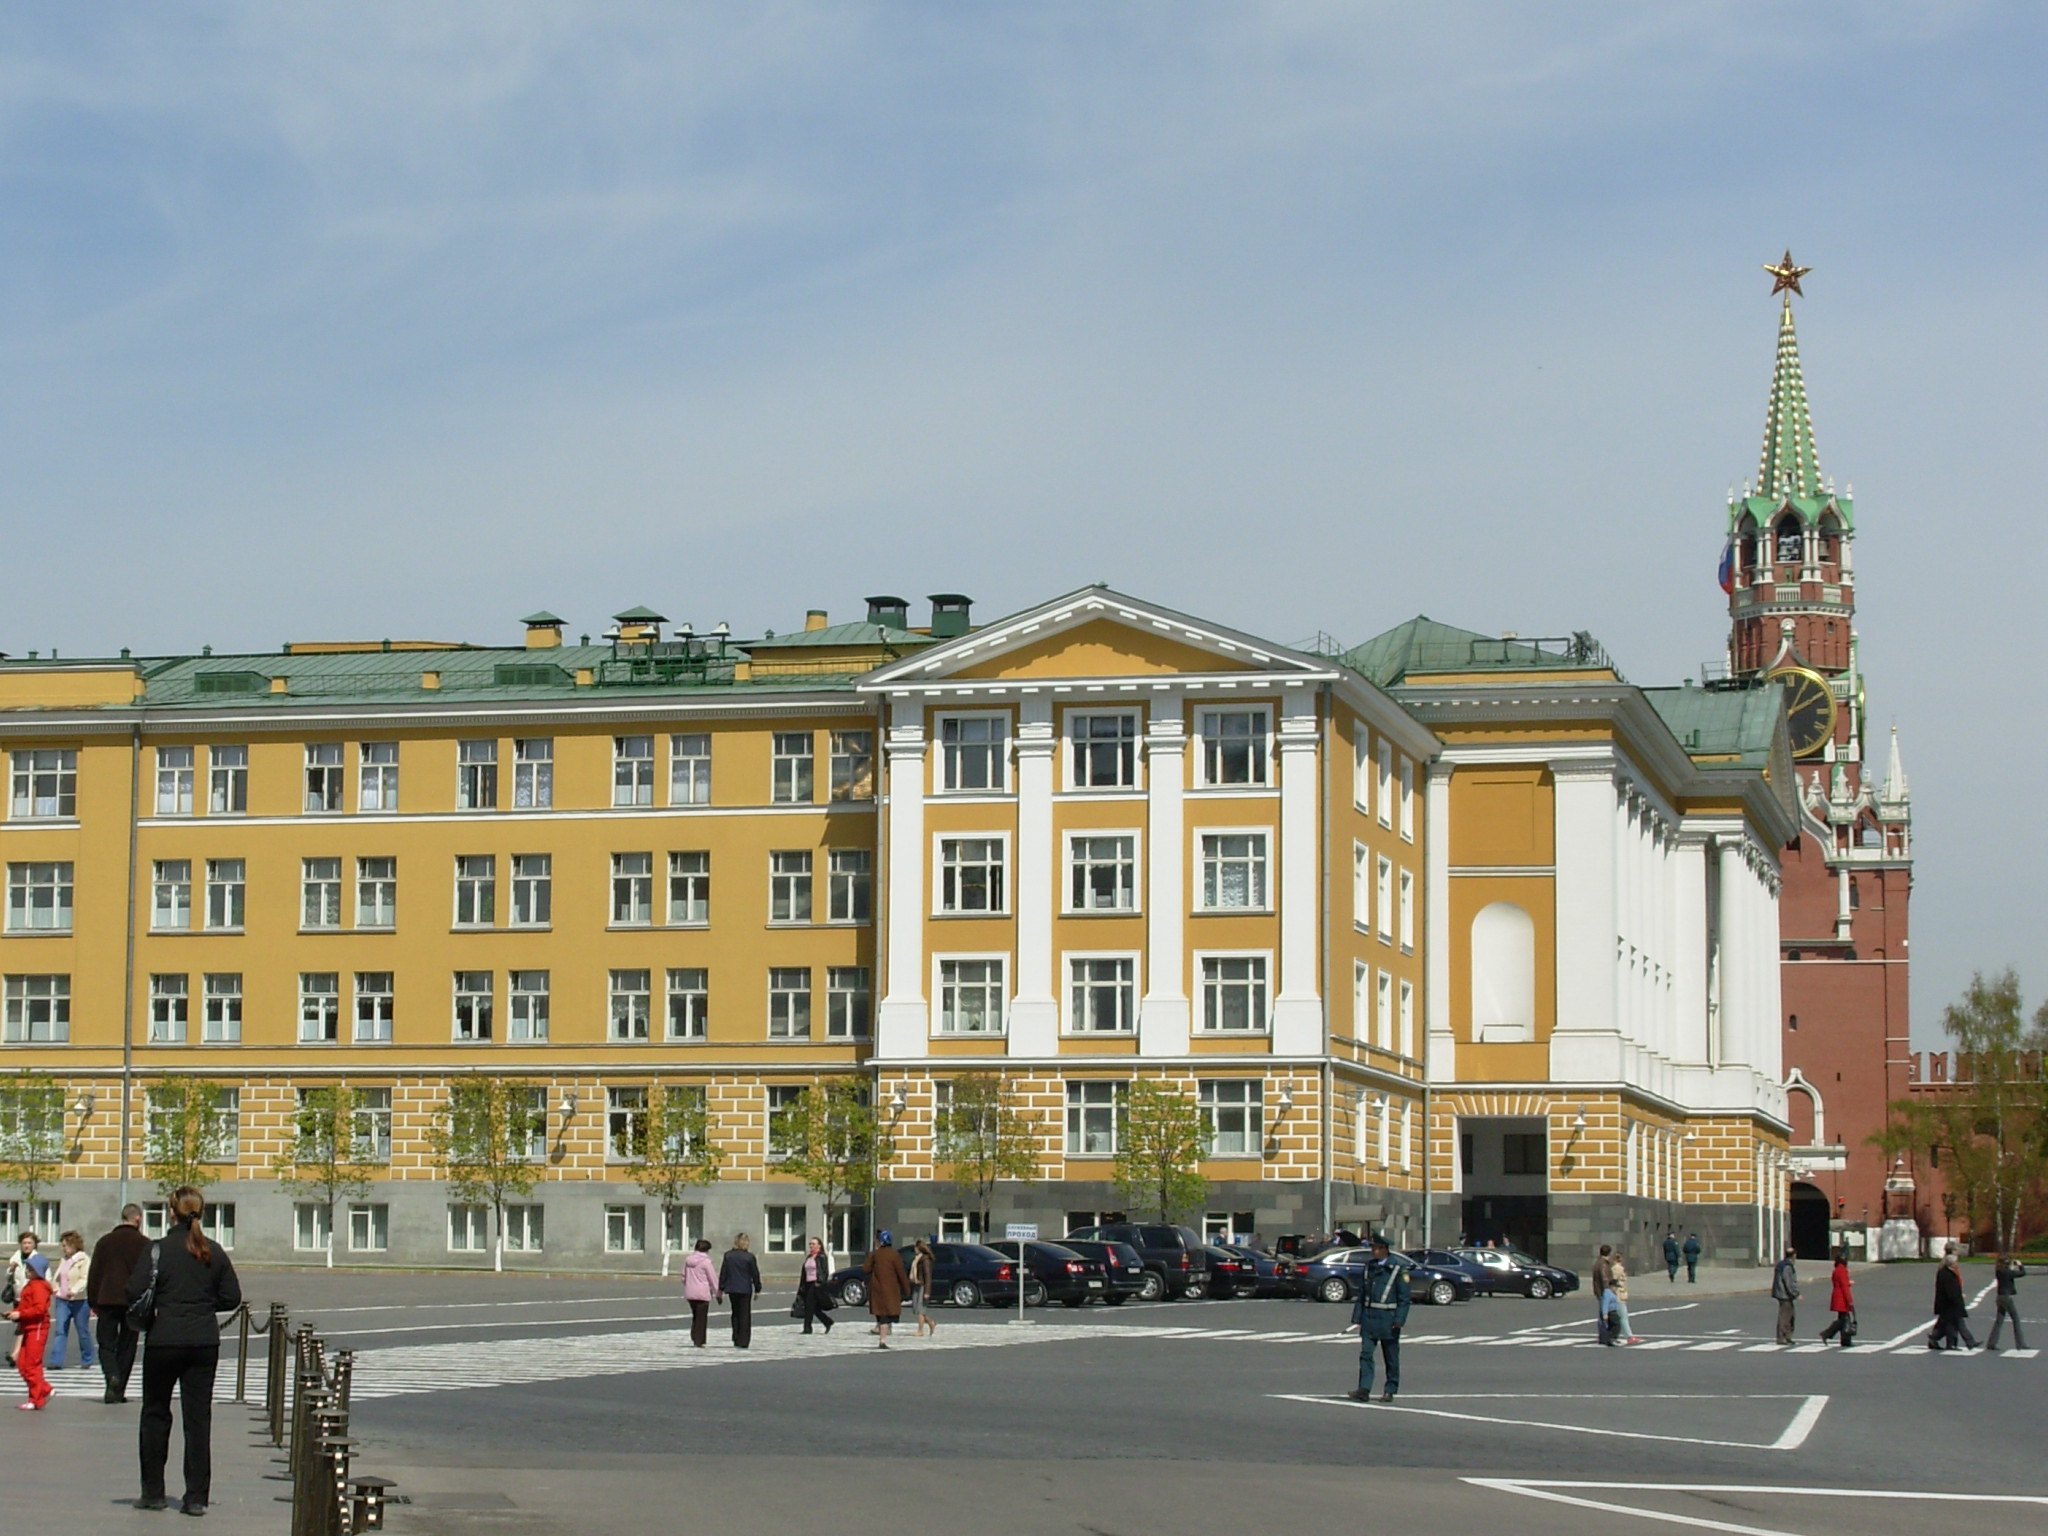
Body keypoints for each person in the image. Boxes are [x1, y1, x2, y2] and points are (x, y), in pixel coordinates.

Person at [131, 1187, 242, 1516]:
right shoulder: (214, 1251)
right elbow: (232, 1297)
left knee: (155, 1414)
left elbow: (134, 1290)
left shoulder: (158, 1250)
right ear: (201, 1213)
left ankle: (153, 1492)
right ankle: (196, 1497)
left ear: (171, 1212)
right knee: (197, 1420)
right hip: (203, 1341)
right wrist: (204, 1305)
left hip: (163, 1339)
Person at [91, 1204, 150, 1403]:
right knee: (127, 1345)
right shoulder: (144, 1244)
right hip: (132, 1301)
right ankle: (119, 1389)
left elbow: (95, 1273)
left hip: (106, 1299)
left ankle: (111, 1377)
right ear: (138, 1219)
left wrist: (93, 1301)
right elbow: (149, 1275)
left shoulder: (105, 1242)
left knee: (106, 1343)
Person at [1347, 1233, 1410, 1403]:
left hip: (1388, 1319)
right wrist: (1357, 1317)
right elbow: (1362, 1294)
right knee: (1366, 1354)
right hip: (1369, 1317)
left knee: (1391, 1357)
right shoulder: (1369, 1267)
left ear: (1384, 1250)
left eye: (1376, 1248)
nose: (1373, 1251)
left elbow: (1404, 1299)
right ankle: (1364, 1389)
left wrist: (1399, 1320)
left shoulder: (1398, 1269)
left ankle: (1390, 1389)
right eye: (1372, 1248)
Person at [6, 1249, 54, 1410]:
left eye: (30, 1269)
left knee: (31, 1364)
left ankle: (37, 1398)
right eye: (27, 1268)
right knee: (23, 1363)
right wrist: (16, 1314)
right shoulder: (31, 1285)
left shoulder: (39, 1287)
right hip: (30, 1326)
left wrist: (20, 1313)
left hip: (37, 1327)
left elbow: (39, 1309)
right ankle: (43, 1391)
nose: (27, 1271)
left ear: (38, 1272)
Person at [47, 1230, 95, 1371]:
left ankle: (87, 1358)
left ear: (74, 1245)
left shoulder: (84, 1259)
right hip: (62, 1300)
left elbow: (85, 1278)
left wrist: (74, 1290)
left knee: (82, 1331)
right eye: (63, 1245)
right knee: (60, 1330)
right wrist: (55, 1288)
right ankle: (56, 1361)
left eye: (66, 1245)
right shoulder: (64, 1260)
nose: (64, 1248)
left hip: (79, 1300)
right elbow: (58, 1277)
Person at [863, 1229, 909, 1349]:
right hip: (891, 1290)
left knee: (881, 1315)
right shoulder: (895, 1255)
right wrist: (906, 1289)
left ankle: (882, 1338)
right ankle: (882, 1339)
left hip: (877, 1289)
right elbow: (901, 1273)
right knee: (887, 1315)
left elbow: (866, 1269)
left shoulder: (875, 1254)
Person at [718, 1234, 761, 1349]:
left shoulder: (728, 1256)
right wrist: (758, 1288)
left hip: (732, 1288)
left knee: (735, 1313)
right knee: (745, 1315)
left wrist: (721, 1288)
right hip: (745, 1289)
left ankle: (736, 1337)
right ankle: (744, 1340)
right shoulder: (749, 1257)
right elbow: (755, 1274)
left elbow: (724, 1273)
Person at [1929, 1250, 1975, 1351]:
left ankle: (1935, 1338)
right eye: (1956, 1262)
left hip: (1947, 1303)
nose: (1957, 1264)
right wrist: (1957, 1299)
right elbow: (1950, 1290)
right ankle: (1955, 1343)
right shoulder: (1947, 1274)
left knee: (1947, 1324)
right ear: (1952, 1263)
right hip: (1949, 1304)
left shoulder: (1946, 1272)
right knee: (1953, 1324)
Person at [1987, 1250, 2027, 1352]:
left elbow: (2008, 1273)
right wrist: (2020, 1265)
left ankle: (1992, 1342)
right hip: (2006, 1297)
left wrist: (2011, 1267)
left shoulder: (1999, 1271)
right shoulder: (2007, 1272)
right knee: (2016, 1319)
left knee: (1999, 1320)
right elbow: (2022, 1273)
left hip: (1999, 1297)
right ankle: (2020, 1343)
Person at [682, 1238, 719, 1348]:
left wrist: (688, 1285)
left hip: (690, 1292)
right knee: (702, 1317)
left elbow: (683, 1276)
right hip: (703, 1293)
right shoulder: (706, 1262)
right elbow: (712, 1278)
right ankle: (699, 1340)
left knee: (695, 1315)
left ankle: (694, 1335)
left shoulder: (688, 1260)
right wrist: (718, 1293)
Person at [796, 1237, 835, 1335]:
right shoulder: (809, 1257)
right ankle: (827, 1321)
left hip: (816, 1284)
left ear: (819, 1245)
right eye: (810, 1244)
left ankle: (807, 1328)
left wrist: (821, 1283)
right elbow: (804, 1272)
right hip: (808, 1283)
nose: (811, 1246)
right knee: (814, 1307)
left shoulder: (821, 1257)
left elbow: (824, 1272)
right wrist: (802, 1285)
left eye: (813, 1244)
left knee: (809, 1306)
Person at [1817, 1246, 1856, 1346]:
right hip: (1842, 1298)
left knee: (1843, 1319)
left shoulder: (1837, 1269)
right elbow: (1844, 1287)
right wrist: (1850, 1300)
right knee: (1844, 1320)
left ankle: (1844, 1340)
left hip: (1837, 1296)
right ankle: (1828, 1334)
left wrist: (1848, 1282)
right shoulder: (1842, 1270)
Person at [1771, 1246, 1800, 1345]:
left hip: (1781, 1293)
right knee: (1785, 1316)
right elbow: (1788, 1282)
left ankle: (1786, 1336)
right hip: (1784, 1295)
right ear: (1793, 1256)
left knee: (1790, 1315)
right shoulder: (1787, 1266)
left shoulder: (1781, 1264)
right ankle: (1782, 1337)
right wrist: (1796, 1294)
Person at [1608, 1252, 1639, 1344]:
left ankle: (1624, 1335)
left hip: (1618, 1294)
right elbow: (1616, 1282)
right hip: (1619, 1295)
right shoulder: (1618, 1268)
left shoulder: (1615, 1268)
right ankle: (1629, 1336)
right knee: (1623, 1316)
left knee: (1620, 1316)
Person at [909, 1238, 937, 1339]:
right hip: (916, 1284)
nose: (914, 1250)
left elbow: (928, 1276)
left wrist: (927, 1292)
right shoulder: (917, 1258)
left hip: (922, 1285)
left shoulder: (925, 1260)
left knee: (920, 1309)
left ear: (919, 1248)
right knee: (916, 1309)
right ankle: (931, 1322)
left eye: (915, 1248)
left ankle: (920, 1330)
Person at [1591, 1244, 1615, 1345]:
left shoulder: (1597, 1263)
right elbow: (1604, 1277)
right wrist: (1609, 1288)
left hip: (1599, 1290)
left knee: (1602, 1314)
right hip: (1604, 1291)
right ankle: (1604, 1336)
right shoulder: (1604, 1264)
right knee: (1605, 1314)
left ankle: (1602, 1335)